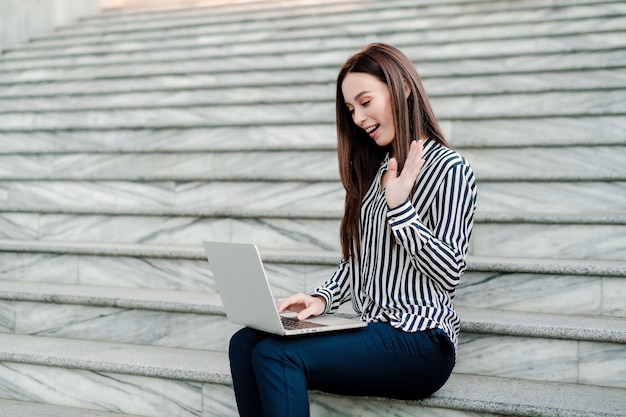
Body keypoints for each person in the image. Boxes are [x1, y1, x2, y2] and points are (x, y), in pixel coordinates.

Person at [228, 42, 478, 417]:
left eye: (365, 101)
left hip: (423, 341)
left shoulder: (450, 169)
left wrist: (400, 208)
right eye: (350, 109)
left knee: (276, 356)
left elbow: (449, 273)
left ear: (402, 88)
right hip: (374, 329)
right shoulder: (380, 169)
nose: (358, 118)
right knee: (244, 343)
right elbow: (363, 260)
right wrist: (321, 299)